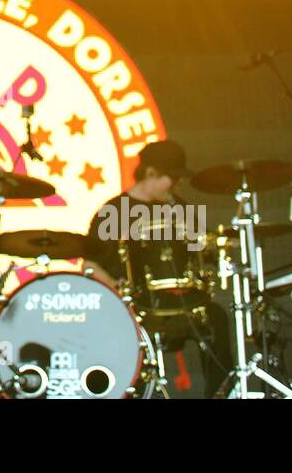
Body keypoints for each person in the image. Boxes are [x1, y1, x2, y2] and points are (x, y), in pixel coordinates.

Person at [81, 139, 233, 397]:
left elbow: (200, 253)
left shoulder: (181, 208)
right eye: (172, 179)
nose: (177, 185)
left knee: (216, 318)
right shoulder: (113, 211)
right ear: (150, 174)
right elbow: (90, 265)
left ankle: (220, 394)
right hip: (135, 308)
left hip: (183, 303)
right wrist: (118, 289)